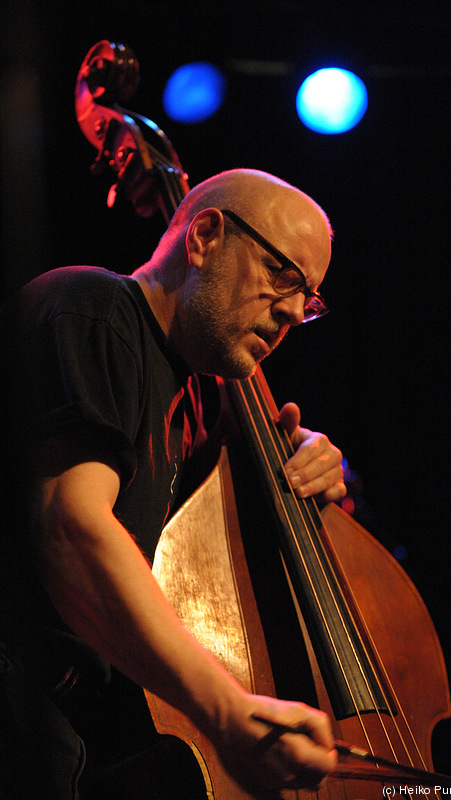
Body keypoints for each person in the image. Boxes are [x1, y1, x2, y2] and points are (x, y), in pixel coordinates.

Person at [0, 168, 346, 799]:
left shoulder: (191, 407)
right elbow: (72, 526)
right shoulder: (93, 308)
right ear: (206, 236)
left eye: (310, 299)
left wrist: (312, 463)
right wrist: (227, 711)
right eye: (283, 275)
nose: (294, 310)